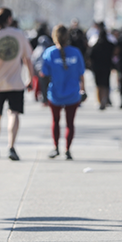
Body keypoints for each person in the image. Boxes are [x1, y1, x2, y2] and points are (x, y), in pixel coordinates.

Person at [0, 8, 34, 161]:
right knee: (14, 113)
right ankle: (11, 146)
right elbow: (28, 58)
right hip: (16, 83)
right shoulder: (19, 34)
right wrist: (31, 78)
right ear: (10, 19)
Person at [41, 24, 86, 160]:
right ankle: (67, 149)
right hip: (73, 94)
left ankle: (55, 147)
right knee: (70, 123)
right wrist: (83, 89)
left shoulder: (49, 53)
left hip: (55, 94)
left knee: (55, 121)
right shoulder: (76, 52)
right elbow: (81, 73)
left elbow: (44, 73)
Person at [88, 22, 115, 110]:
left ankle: (100, 101)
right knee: (106, 84)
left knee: (98, 85)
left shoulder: (95, 43)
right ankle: (105, 100)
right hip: (106, 66)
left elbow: (90, 54)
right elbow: (115, 52)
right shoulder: (110, 44)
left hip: (97, 67)